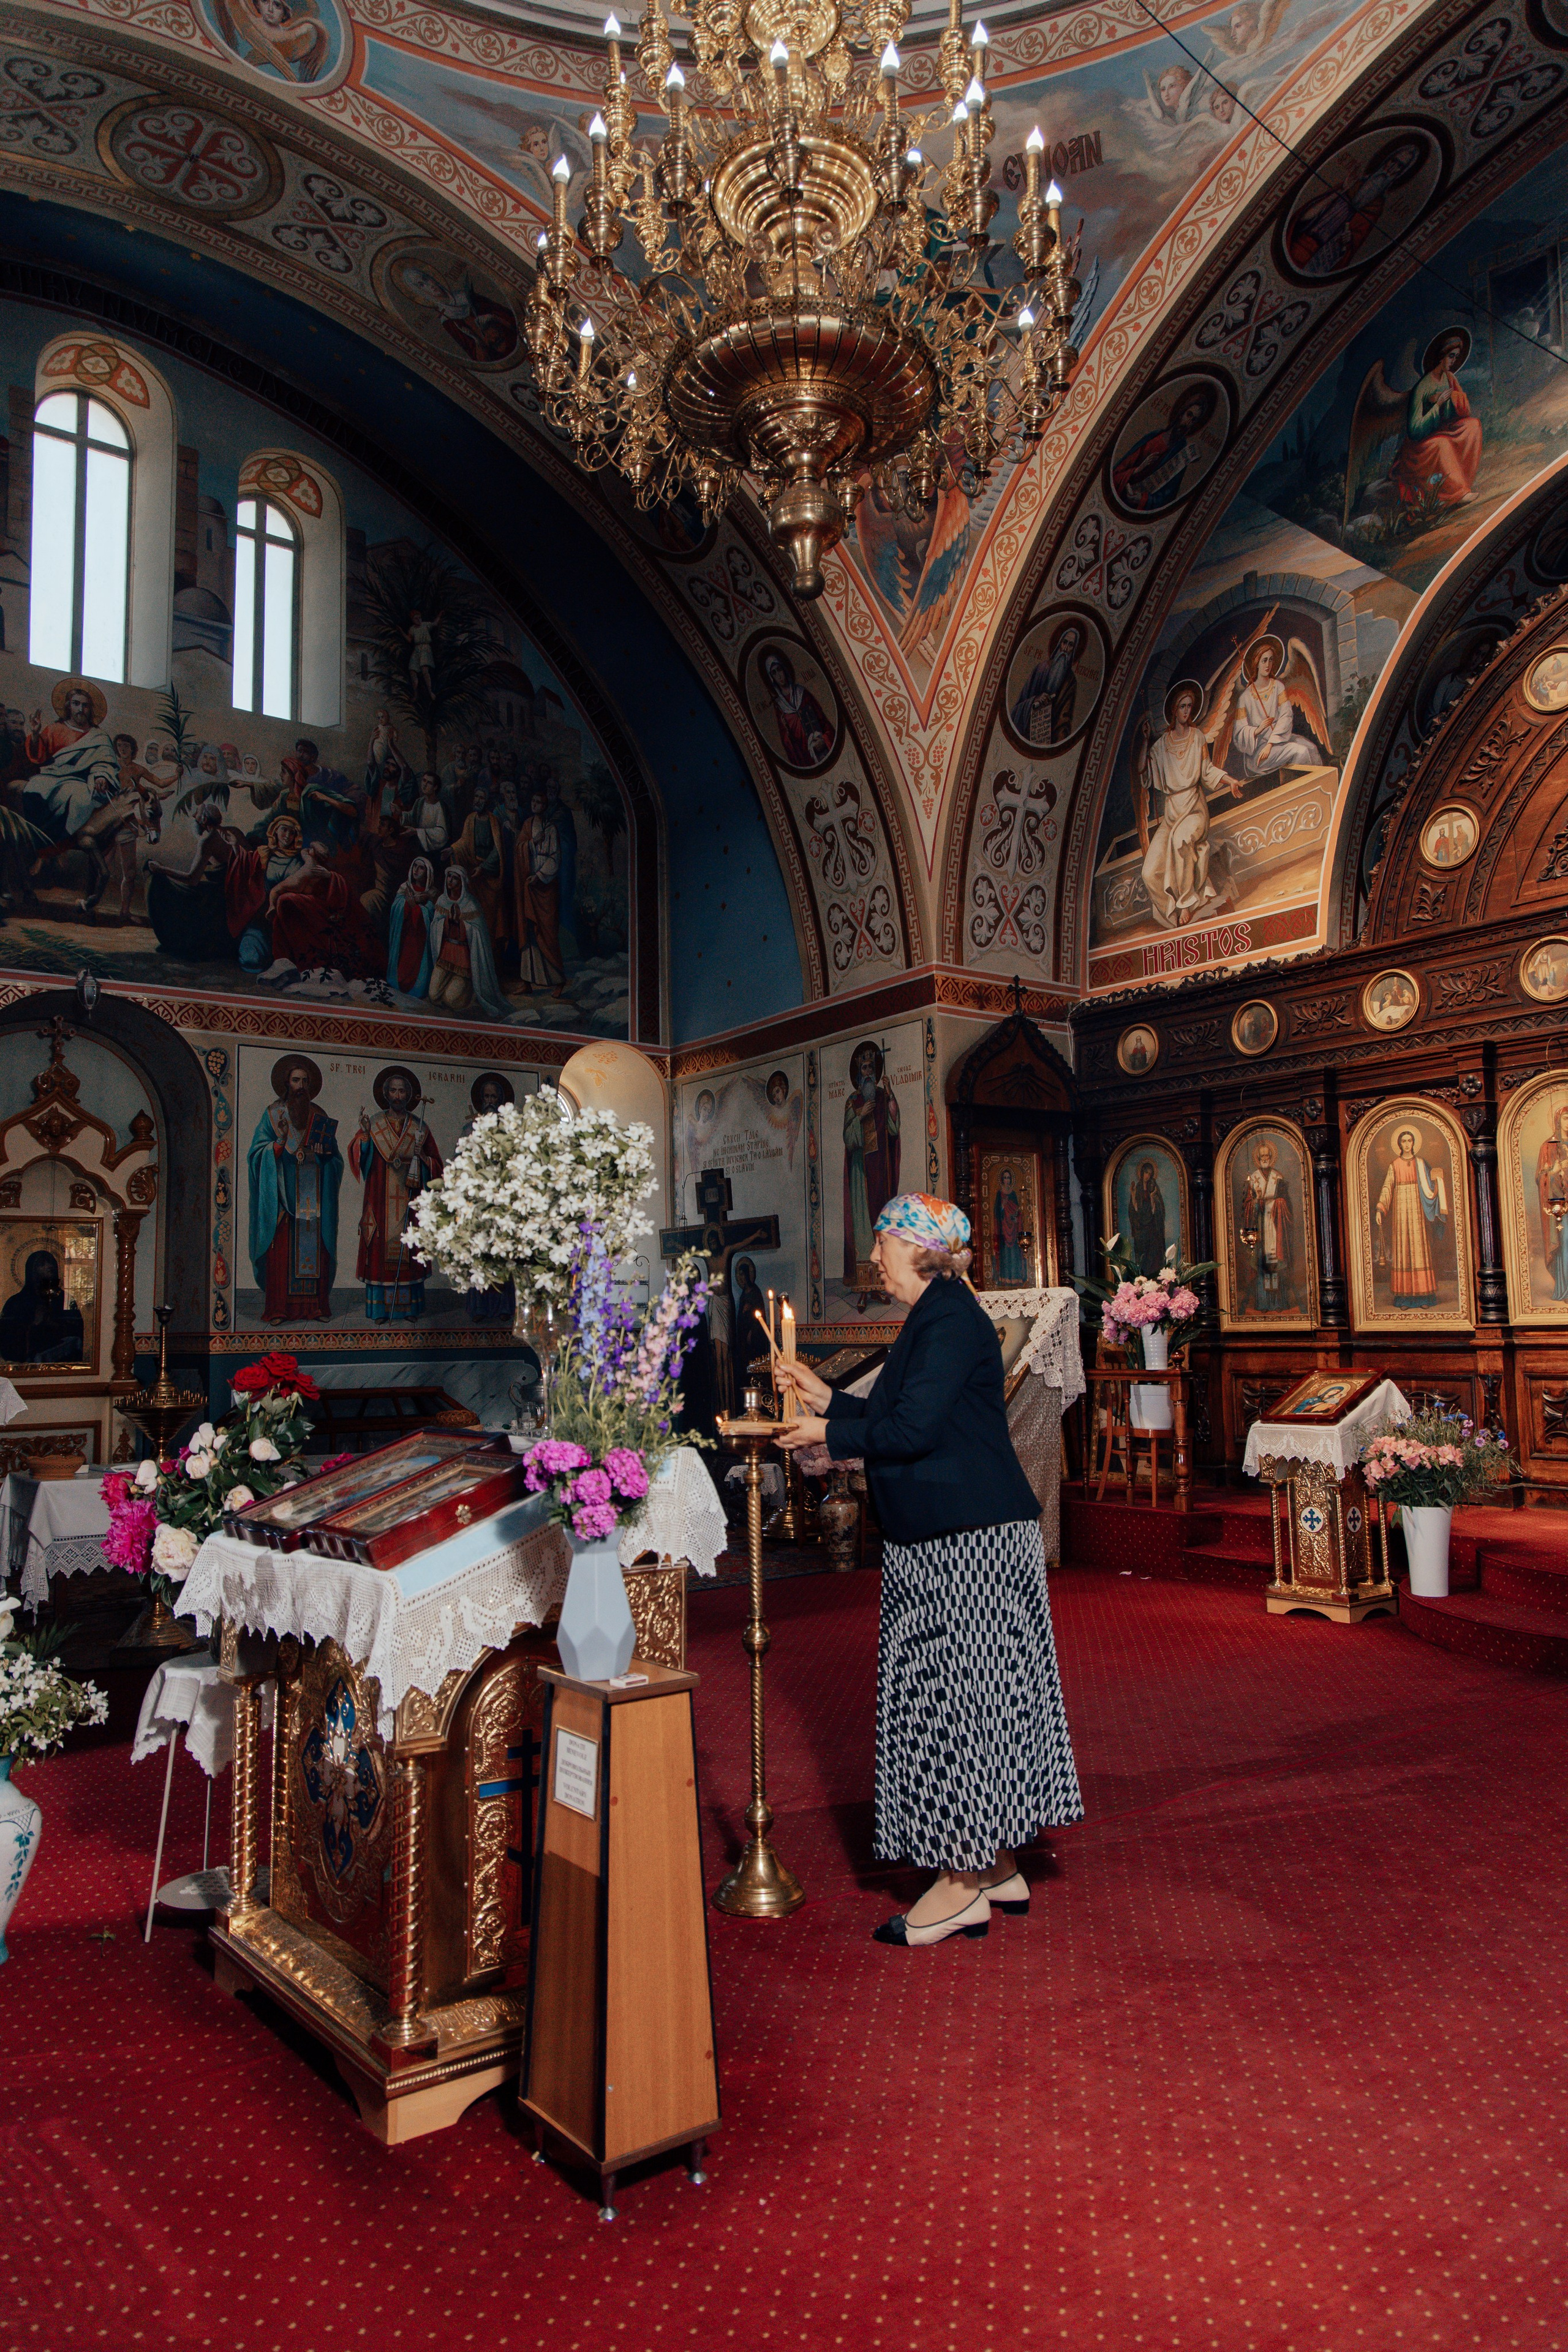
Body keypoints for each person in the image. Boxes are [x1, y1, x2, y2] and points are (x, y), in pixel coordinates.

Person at [776, 1194, 1082, 1947]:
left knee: (956, 1706)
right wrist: (829, 1397)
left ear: (916, 1247)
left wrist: (822, 1427)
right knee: (983, 1698)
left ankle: (958, 1879)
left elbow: (910, 1428)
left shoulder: (947, 1317)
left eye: (881, 1242)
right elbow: (910, 1414)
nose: (874, 1256)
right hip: (958, 1532)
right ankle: (998, 1859)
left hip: (965, 1538)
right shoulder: (938, 1315)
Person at [247, 1057, 342, 1321]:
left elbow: (335, 1160)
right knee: (282, 1256)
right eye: (296, 1080)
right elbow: (256, 1154)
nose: (301, 1086)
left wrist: (326, 1155)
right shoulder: (273, 1114)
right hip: (282, 1197)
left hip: (312, 1198)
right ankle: (278, 1309)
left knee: (316, 1253)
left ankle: (317, 1308)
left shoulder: (319, 1115)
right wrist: (277, 1143)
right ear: (286, 1083)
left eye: (305, 1081)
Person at [1138, 682, 1239, 927]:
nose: (1186, 711)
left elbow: (1207, 771)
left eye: (1190, 707)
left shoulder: (1197, 738)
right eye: (1182, 707)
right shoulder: (1161, 746)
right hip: (1172, 813)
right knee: (1149, 872)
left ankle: (1185, 903)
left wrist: (1230, 780)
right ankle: (1172, 912)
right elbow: (1144, 772)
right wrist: (1143, 741)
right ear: (1174, 710)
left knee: (1181, 840)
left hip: (1194, 809)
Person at [350, 1068, 443, 1322]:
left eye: (402, 1090)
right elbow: (361, 1159)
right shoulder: (376, 1124)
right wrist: (367, 1136)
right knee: (380, 1248)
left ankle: (410, 1309)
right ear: (386, 1094)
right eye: (393, 1090)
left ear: (409, 1095)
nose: (398, 1095)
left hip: (410, 1201)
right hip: (380, 1200)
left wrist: (422, 1156)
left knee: (410, 1249)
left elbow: (437, 1166)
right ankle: (380, 1310)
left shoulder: (419, 1127)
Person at [843, 1042, 900, 1290]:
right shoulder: (853, 1101)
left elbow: (892, 1128)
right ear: (858, 1073)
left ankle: (882, 1286)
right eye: (864, 1067)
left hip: (880, 1170)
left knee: (881, 1227)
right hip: (860, 1173)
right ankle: (865, 1288)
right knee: (864, 1229)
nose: (868, 1072)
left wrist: (891, 1100)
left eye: (871, 1067)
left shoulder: (881, 1095)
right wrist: (861, 1115)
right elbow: (848, 1138)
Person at [426, 865, 512, 1019]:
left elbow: (479, 934)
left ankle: (470, 989)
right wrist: (447, 921)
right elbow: (435, 928)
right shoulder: (442, 901)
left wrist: (461, 923)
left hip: (463, 962)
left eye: (455, 878)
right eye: (449, 877)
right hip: (445, 958)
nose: (450, 881)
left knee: (451, 1000)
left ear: (462, 883)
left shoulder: (470, 904)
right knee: (433, 996)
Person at [1374, 1126, 1446, 1305]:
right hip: (1400, 1210)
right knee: (1403, 1250)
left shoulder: (1421, 1163)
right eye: (1404, 1141)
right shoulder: (1394, 1165)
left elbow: (1431, 1186)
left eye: (1410, 1141)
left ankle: (1424, 1296)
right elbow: (1387, 1188)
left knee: (1419, 1249)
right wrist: (1380, 1209)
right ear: (1400, 1144)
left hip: (1417, 1209)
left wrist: (1438, 1183)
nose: (1407, 1144)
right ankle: (1404, 1298)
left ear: (1414, 1143)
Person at [0, 1248, 85, 1363]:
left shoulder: (66, 1299)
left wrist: (56, 1325)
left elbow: (76, 1333)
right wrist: (34, 1324)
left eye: (51, 1263)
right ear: (32, 1270)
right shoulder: (16, 1302)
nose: (49, 1266)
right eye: (42, 1264)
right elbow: (7, 1339)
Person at [1240, 1137, 1292, 1311]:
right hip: (1260, 1227)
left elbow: (1287, 1204)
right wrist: (1256, 1204)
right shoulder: (1253, 1179)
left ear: (1271, 1157)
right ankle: (1263, 1303)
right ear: (1258, 1158)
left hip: (1275, 1226)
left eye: (1267, 1155)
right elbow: (1246, 1204)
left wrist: (1278, 1204)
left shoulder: (1279, 1178)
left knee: (1275, 1262)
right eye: (1262, 1156)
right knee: (1262, 1263)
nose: (1265, 1158)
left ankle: (1278, 1304)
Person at [1128, 1159, 1167, 1276]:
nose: (1147, 1176)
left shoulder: (1153, 1186)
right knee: (1142, 1253)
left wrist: (1152, 1197)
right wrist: (1133, 1195)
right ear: (1141, 1173)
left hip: (1152, 1226)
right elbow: (1134, 1208)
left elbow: (1159, 1208)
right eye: (1146, 1173)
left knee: (1154, 1251)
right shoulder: (1138, 1187)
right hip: (1141, 1226)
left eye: (1150, 1174)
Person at [993, 1167, 1027, 1284]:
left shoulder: (1013, 1194)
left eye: (1008, 1178)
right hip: (1004, 1230)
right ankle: (1004, 1279)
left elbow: (1017, 1212)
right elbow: (997, 1213)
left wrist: (1016, 1215)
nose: (1007, 1180)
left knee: (1014, 1254)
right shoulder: (999, 1194)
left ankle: (1016, 1278)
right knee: (1006, 1254)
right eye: (1005, 1178)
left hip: (1013, 1229)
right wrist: (1002, 1207)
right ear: (1002, 1180)